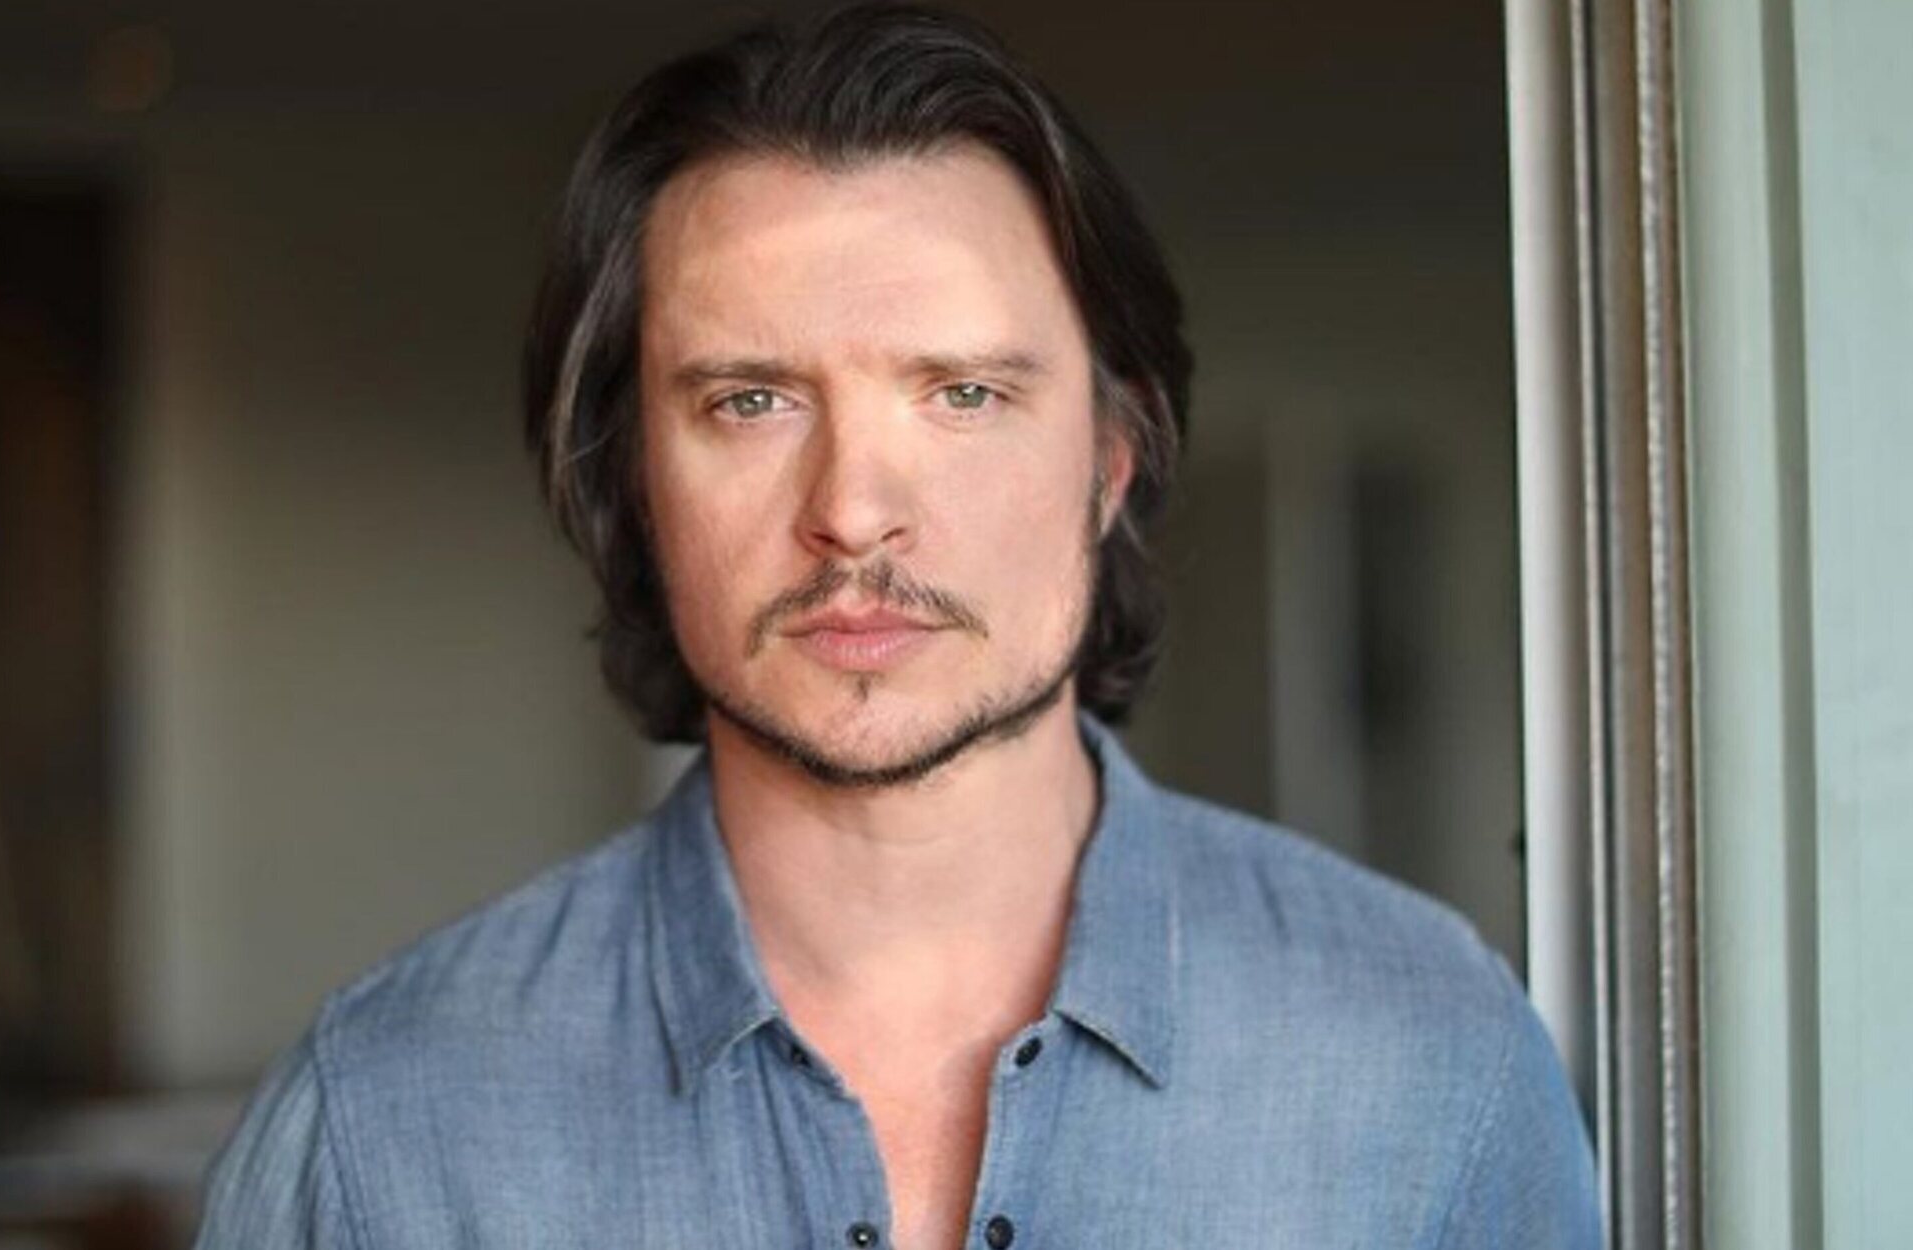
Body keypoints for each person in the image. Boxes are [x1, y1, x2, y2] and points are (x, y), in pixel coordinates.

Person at [194, 4, 1601, 1247]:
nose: (854, 512)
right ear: (632, 482)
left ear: (1112, 459)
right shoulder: (383, 1120)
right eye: (751, 400)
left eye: (964, 394)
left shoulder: (1429, 1053)